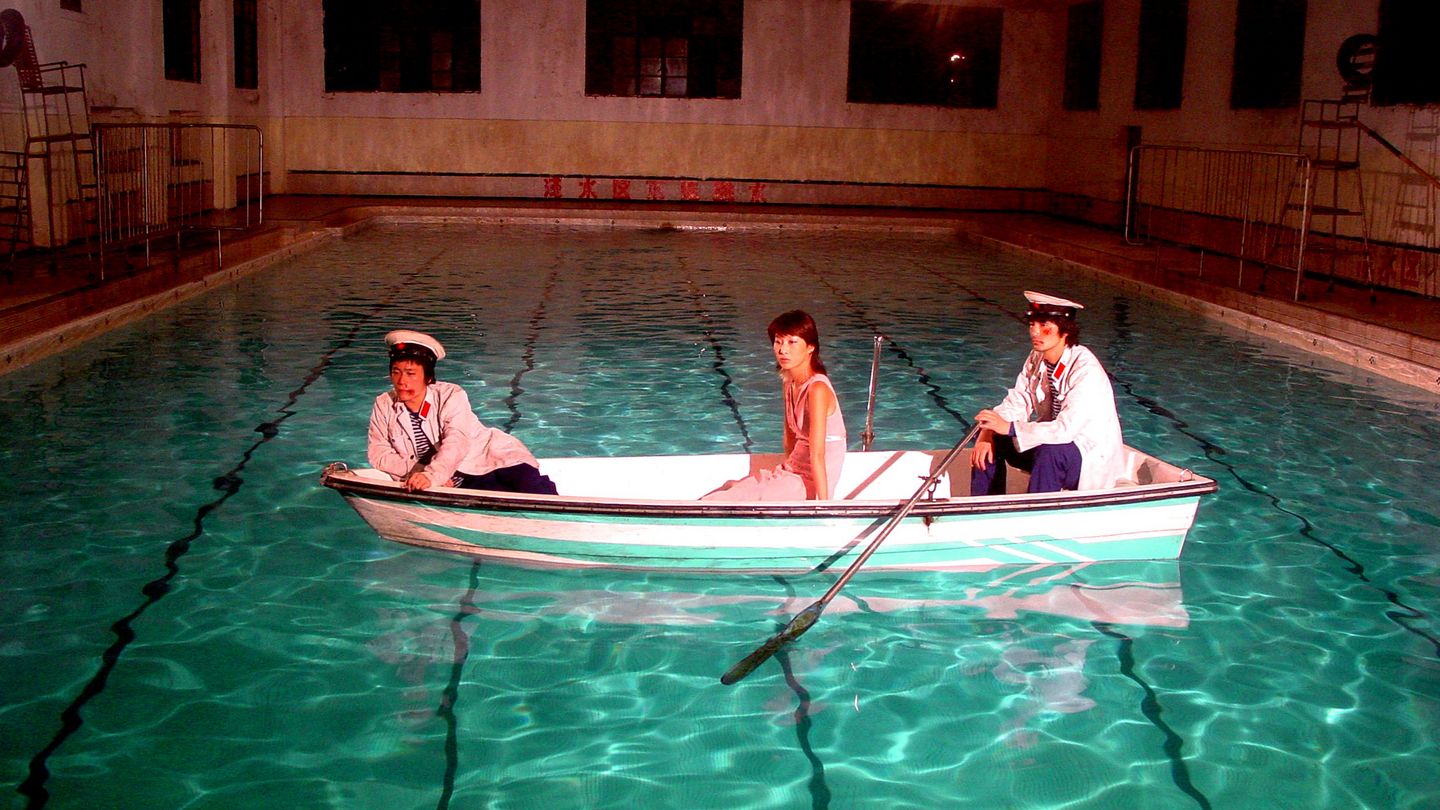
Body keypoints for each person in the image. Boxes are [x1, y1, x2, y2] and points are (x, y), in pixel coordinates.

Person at [970, 291, 1125, 495]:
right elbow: (1018, 401)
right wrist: (988, 431)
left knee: (1050, 453)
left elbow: (1065, 430)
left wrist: (1009, 428)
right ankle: (985, 508)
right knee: (993, 439)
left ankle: (1035, 515)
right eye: (1033, 324)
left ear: (1065, 330)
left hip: (1087, 456)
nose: (1036, 332)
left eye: (1045, 326)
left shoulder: (1086, 369)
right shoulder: (1037, 357)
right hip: (1055, 445)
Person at [368, 329, 558, 495]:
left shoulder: (451, 394)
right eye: (396, 372)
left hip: (489, 458)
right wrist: (424, 474)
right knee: (495, 499)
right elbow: (379, 454)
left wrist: (432, 475)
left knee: (532, 487)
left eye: (411, 373)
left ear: (428, 377)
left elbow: (456, 441)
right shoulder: (384, 404)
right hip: (452, 480)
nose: (402, 381)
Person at [703, 310, 847, 501]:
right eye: (778, 341)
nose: (783, 350)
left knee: (728, 499)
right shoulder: (789, 382)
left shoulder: (817, 389)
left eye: (792, 342)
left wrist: (823, 505)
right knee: (730, 486)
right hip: (792, 471)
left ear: (810, 346)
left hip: (811, 481)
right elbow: (789, 440)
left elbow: (818, 454)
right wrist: (782, 475)